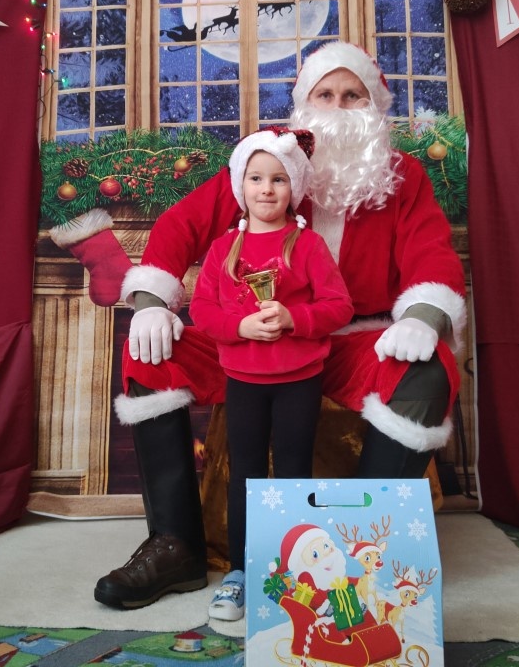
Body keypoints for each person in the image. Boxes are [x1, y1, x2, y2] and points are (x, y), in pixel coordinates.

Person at [93, 41, 466, 612]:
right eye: (325, 94)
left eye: (352, 95)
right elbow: (180, 226)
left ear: (374, 105)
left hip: (354, 341)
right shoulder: (270, 163)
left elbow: (431, 253)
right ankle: (175, 543)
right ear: (303, 102)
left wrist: (422, 317)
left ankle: (369, 548)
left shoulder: (402, 175)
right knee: (150, 351)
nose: (338, 108)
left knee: (427, 366)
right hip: (255, 342)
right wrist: (149, 302)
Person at [188, 127, 354, 621]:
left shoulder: (308, 245)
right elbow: (201, 310)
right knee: (245, 475)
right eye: (256, 178)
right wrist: (239, 326)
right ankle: (241, 572)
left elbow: (339, 306)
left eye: (279, 179)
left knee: (294, 472)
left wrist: (293, 318)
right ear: (240, 186)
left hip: (299, 379)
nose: (266, 189)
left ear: (293, 187)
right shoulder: (224, 248)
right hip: (244, 380)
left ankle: (299, 574)